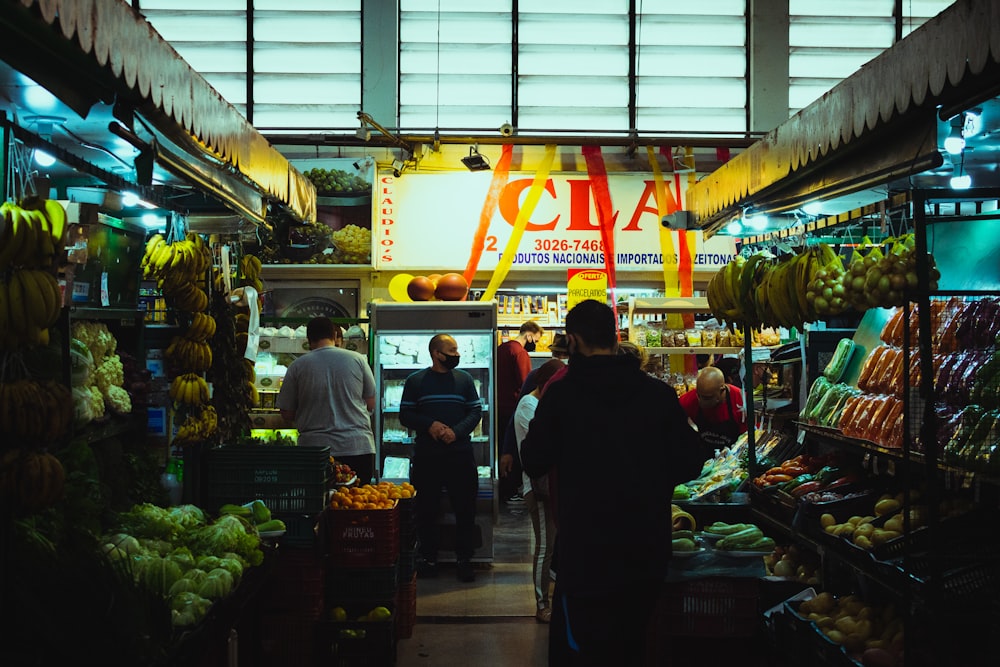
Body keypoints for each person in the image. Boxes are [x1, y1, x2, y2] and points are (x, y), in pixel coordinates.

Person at [520, 300, 710, 666]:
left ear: (573, 341)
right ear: (615, 335)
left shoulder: (561, 395)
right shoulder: (657, 394)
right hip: (645, 548)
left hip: (585, 551)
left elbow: (534, 459)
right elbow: (691, 460)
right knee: (631, 645)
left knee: (585, 649)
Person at [398, 333, 483, 583]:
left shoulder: (464, 380)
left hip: (460, 456)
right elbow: (406, 414)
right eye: (452, 350)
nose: (457, 355)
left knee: (465, 510)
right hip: (428, 457)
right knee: (426, 511)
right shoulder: (415, 382)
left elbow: (475, 410)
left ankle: (464, 560)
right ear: (437, 353)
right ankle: (429, 558)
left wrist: (455, 432)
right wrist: (431, 425)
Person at [277, 317, 377, 484]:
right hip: (357, 446)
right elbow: (372, 402)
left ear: (308, 340)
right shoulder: (358, 359)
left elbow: (287, 413)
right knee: (358, 505)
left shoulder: (297, 366)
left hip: (314, 450)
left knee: (318, 504)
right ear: (335, 335)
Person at [512, 358, 565, 625]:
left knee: (555, 546)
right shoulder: (528, 406)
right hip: (539, 487)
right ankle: (541, 603)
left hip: (556, 484)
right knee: (545, 546)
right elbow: (541, 450)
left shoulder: (545, 404)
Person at [497, 333, 568, 480]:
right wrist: (507, 450)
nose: (560, 357)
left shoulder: (576, 378)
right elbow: (518, 410)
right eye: (557, 353)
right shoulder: (537, 376)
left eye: (565, 354)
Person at [496, 320, 545, 500]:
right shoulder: (520, 353)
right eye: (536, 340)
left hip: (498, 409)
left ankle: (502, 489)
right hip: (512, 409)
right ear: (529, 335)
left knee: (501, 450)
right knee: (514, 453)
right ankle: (511, 490)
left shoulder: (501, 348)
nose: (535, 344)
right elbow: (526, 383)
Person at [678, 365, 748, 450]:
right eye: (699, 395)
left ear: (722, 391)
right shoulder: (689, 400)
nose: (701, 401)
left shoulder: (741, 402)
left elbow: (747, 438)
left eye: (707, 398)